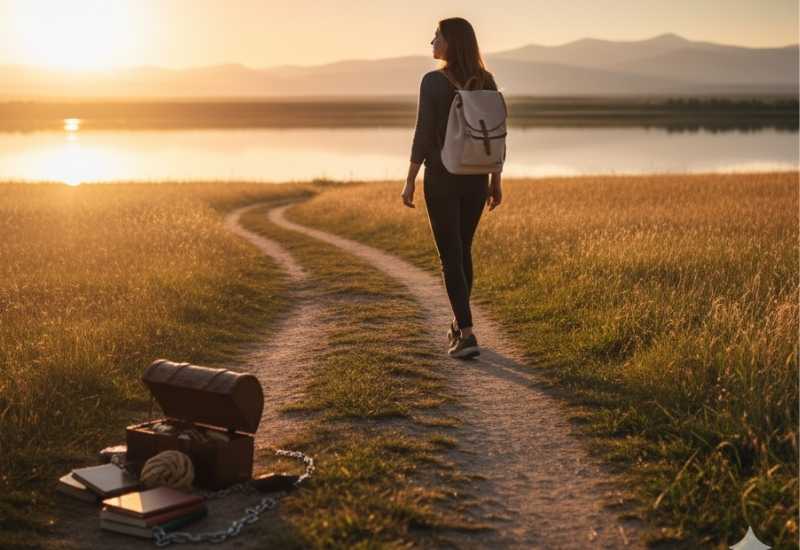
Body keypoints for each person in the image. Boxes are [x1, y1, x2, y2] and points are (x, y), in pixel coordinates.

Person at [401, 17, 503, 359]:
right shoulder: (486, 80)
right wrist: (495, 180)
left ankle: (467, 333)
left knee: (450, 256)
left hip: (442, 176)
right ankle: (460, 326)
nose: (431, 42)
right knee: (463, 250)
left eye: (437, 36)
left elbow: (423, 134)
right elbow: (495, 135)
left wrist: (409, 180)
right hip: (476, 176)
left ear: (451, 43)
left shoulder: (432, 81)